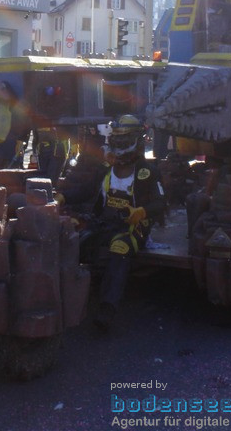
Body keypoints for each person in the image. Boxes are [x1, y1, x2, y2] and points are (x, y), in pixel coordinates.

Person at [59, 114, 167, 330]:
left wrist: (142, 212)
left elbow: (161, 203)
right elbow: (87, 191)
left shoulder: (148, 173)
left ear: (136, 139)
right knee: (74, 241)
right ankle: (64, 298)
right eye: (116, 138)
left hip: (133, 227)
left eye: (124, 139)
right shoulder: (106, 170)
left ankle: (107, 309)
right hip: (104, 223)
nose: (118, 144)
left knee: (119, 248)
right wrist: (63, 196)